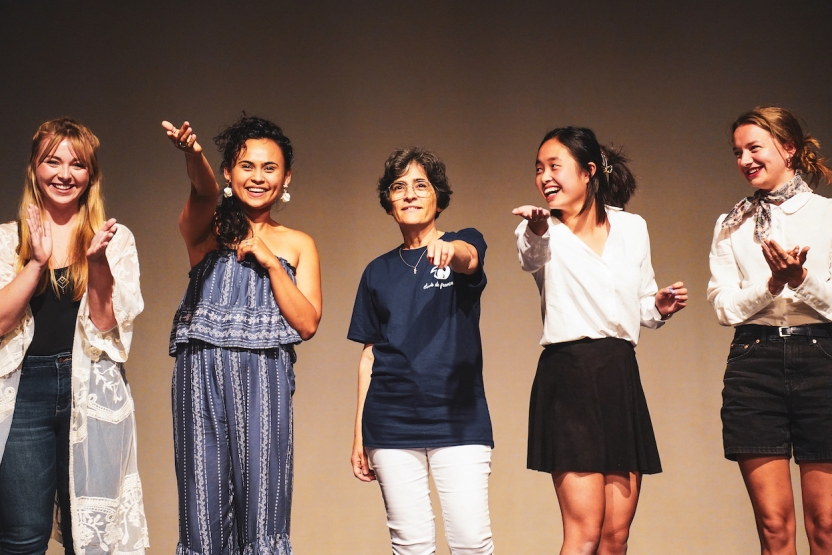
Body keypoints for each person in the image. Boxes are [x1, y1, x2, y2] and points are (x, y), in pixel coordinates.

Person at [512, 126, 686, 555]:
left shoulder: (632, 227)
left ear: (589, 171)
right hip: (569, 376)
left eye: (555, 166)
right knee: (584, 531)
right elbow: (529, 256)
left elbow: (640, 306)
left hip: (618, 373)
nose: (545, 177)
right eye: (539, 169)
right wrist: (535, 228)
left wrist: (658, 307)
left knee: (615, 536)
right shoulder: (541, 230)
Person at [162, 115, 321, 555]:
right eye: (246, 166)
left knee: (264, 503)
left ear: (286, 177)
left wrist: (270, 262)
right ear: (230, 173)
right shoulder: (207, 229)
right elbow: (202, 191)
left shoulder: (298, 243)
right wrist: (194, 155)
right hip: (200, 375)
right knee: (202, 505)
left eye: (269, 168)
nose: (257, 176)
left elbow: (307, 323)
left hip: (264, 376)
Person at [0, 118, 148, 555]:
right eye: (53, 161)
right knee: (23, 534)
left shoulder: (115, 239)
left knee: (91, 538)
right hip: (26, 388)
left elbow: (106, 329)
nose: (64, 174)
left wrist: (98, 266)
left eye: (77, 164)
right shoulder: (8, 240)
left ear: (90, 176)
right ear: (34, 168)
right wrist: (36, 263)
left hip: (93, 390)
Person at [349, 147, 494, 555]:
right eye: (399, 187)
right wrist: (359, 433)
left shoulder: (463, 243)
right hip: (390, 422)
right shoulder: (376, 272)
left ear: (438, 197)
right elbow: (370, 354)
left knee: (472, 543)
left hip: (459, 419)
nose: (409, 194)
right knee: (410, 546)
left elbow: (471, 257)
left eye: (420, 185)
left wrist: (452, 251)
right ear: (389, 202)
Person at [707, 106, 832, 555]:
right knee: (775, 527)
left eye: (754, 148)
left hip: (823, 361)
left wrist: (801, 281)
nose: (745, 160)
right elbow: (724, 307)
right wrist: (771, 285)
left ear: (789, 149)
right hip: (754, 363)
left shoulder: (827, 215)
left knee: (827, 525)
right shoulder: (732, 224)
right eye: (738, 152)